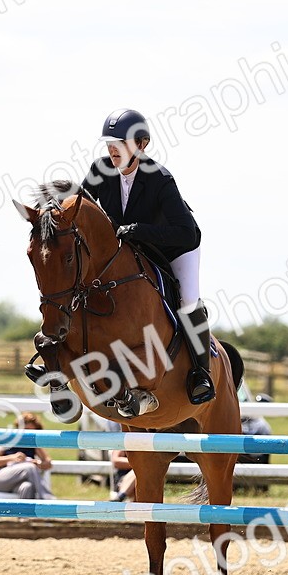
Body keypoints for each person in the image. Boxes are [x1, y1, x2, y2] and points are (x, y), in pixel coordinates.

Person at [79, 108, 214, 405]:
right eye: (109, 143)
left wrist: (139, 231)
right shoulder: (100, 169)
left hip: (175, 247)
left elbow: (186, 233)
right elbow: (79, 209)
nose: (112, 149)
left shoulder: (160, 179)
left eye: (120, 143)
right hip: (131, 249)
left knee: (188, 300)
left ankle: (201, 374)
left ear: (141, 145)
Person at [0, 413, 54, 499]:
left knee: (27, 487)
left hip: (20, 482)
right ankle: (47, 498)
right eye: (26, 430)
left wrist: (39, 464)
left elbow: (48, 463)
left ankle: (25, 512)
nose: (27, 435)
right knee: (30, 468)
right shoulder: (7, 438)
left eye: (31, 432)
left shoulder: (33, 444)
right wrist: (12, 458)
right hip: (2, 478)